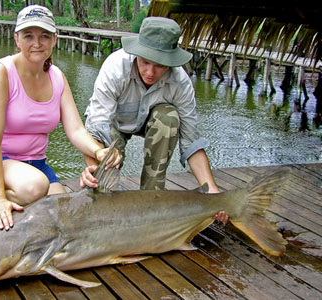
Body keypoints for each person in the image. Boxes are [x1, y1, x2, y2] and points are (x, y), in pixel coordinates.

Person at [0, 5, 121, 231]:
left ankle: (22, 202)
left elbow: (75, 130)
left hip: (34, 164)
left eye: (44, 36)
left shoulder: (57, 77)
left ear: (54, 39)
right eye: (28, 36)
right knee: (35, 187)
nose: (37, 43)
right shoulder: (1, 73)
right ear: (16, 39)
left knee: (66, 212)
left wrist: (98, 151)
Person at [81, 17, 228, 223]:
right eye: (145, 62)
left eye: (159, 65)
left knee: (169, 118)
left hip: (155, 121)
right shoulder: (115, 68)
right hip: (114, 123)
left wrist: (212, 190)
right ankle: (103, 196)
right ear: (136, 53)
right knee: (102, 176)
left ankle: (151, 198)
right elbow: (96, 127)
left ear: (171, 62)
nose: (150, 72)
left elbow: (191, 142)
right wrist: (93, 168)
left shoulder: (181, 83)